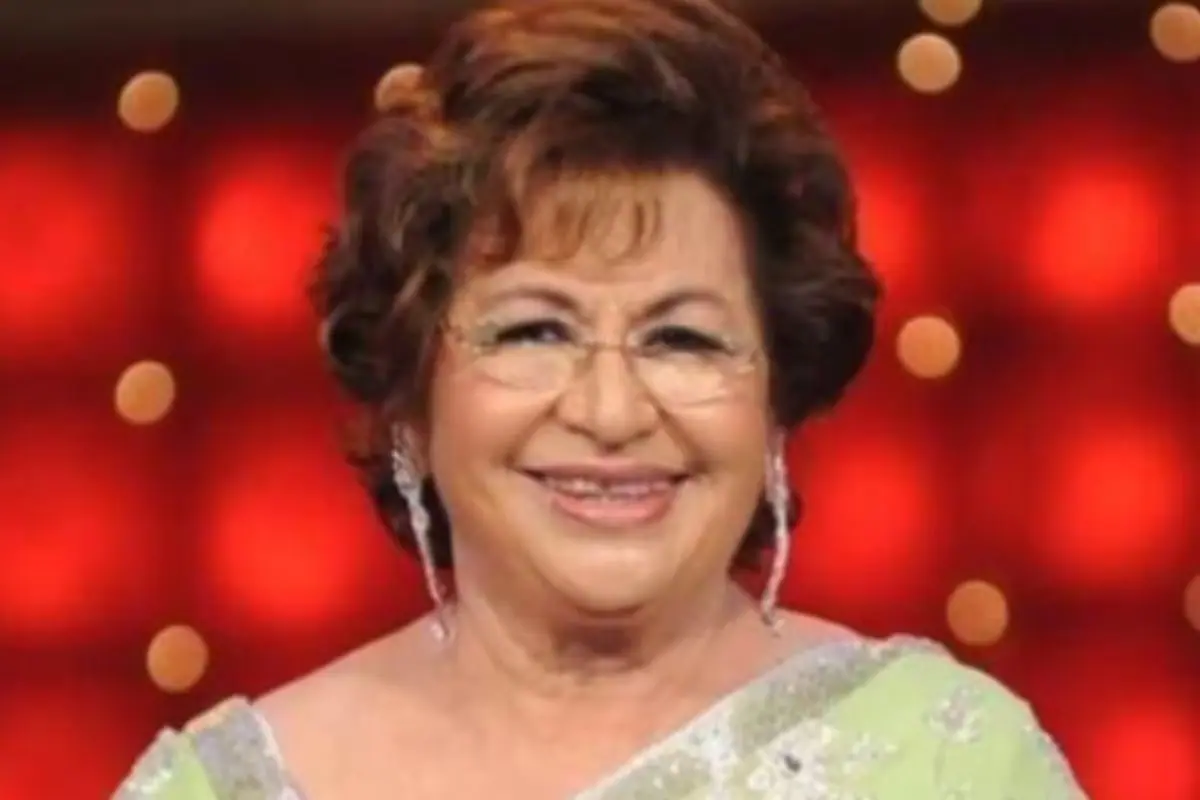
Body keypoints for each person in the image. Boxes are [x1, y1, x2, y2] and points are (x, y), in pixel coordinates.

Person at [117, 0, 1088, 797]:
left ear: (774, 400)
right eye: (534, 331)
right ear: (412, 393)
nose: (612, 412)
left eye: (683, 338)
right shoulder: (226, 786)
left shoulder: (947, 763)